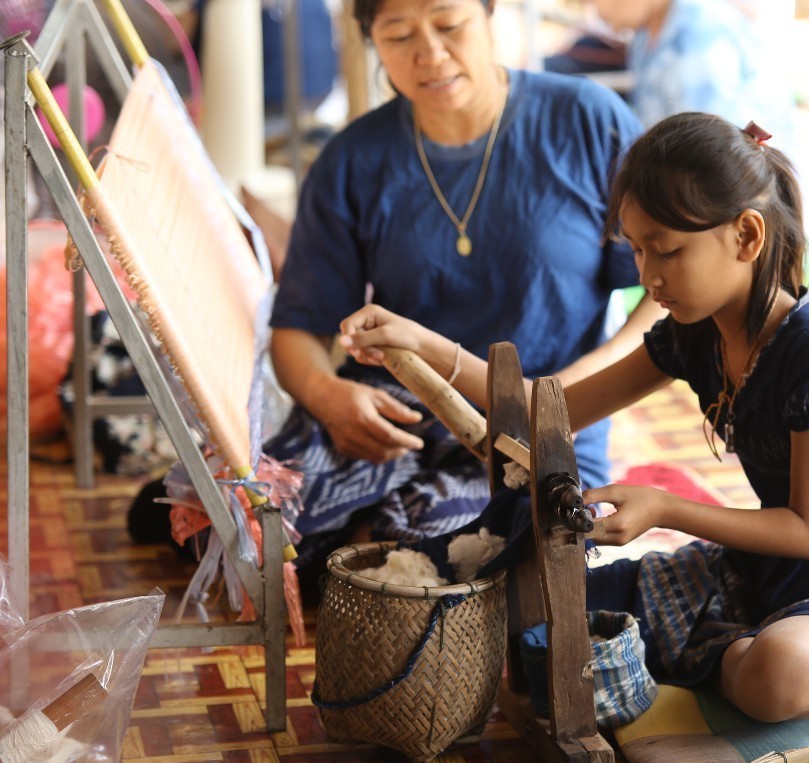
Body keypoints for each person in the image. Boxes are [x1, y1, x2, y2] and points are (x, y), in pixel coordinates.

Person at [337, 112, 809, 723]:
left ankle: (714, 653)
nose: (648, 276)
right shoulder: (693, 336)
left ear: (747, 236)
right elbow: (545, 409)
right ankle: (710, 645)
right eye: (635, 249)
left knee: (783, 673)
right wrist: (421, 342)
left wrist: (666, 510)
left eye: (668, 250)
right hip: (757, 576)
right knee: (536, 613)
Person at [265, 0, 661, 585]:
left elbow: (663, 294)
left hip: (542, 429)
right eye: (399, 35)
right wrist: (328, 397)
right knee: (258, 516)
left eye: (449, 25)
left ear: (490, 15)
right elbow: (298, 327)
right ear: (372, 40)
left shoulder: (587, 121)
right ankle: (347, 547)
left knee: (456, 546)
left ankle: (360, 546)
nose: (429, 53)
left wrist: (568, 396)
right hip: (402, 409)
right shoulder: (352, 160)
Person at [585, 0, 793, 146]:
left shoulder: (697, 32)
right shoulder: (645, 37)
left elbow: (707, 143)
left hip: (724, 188)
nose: (596, 11)